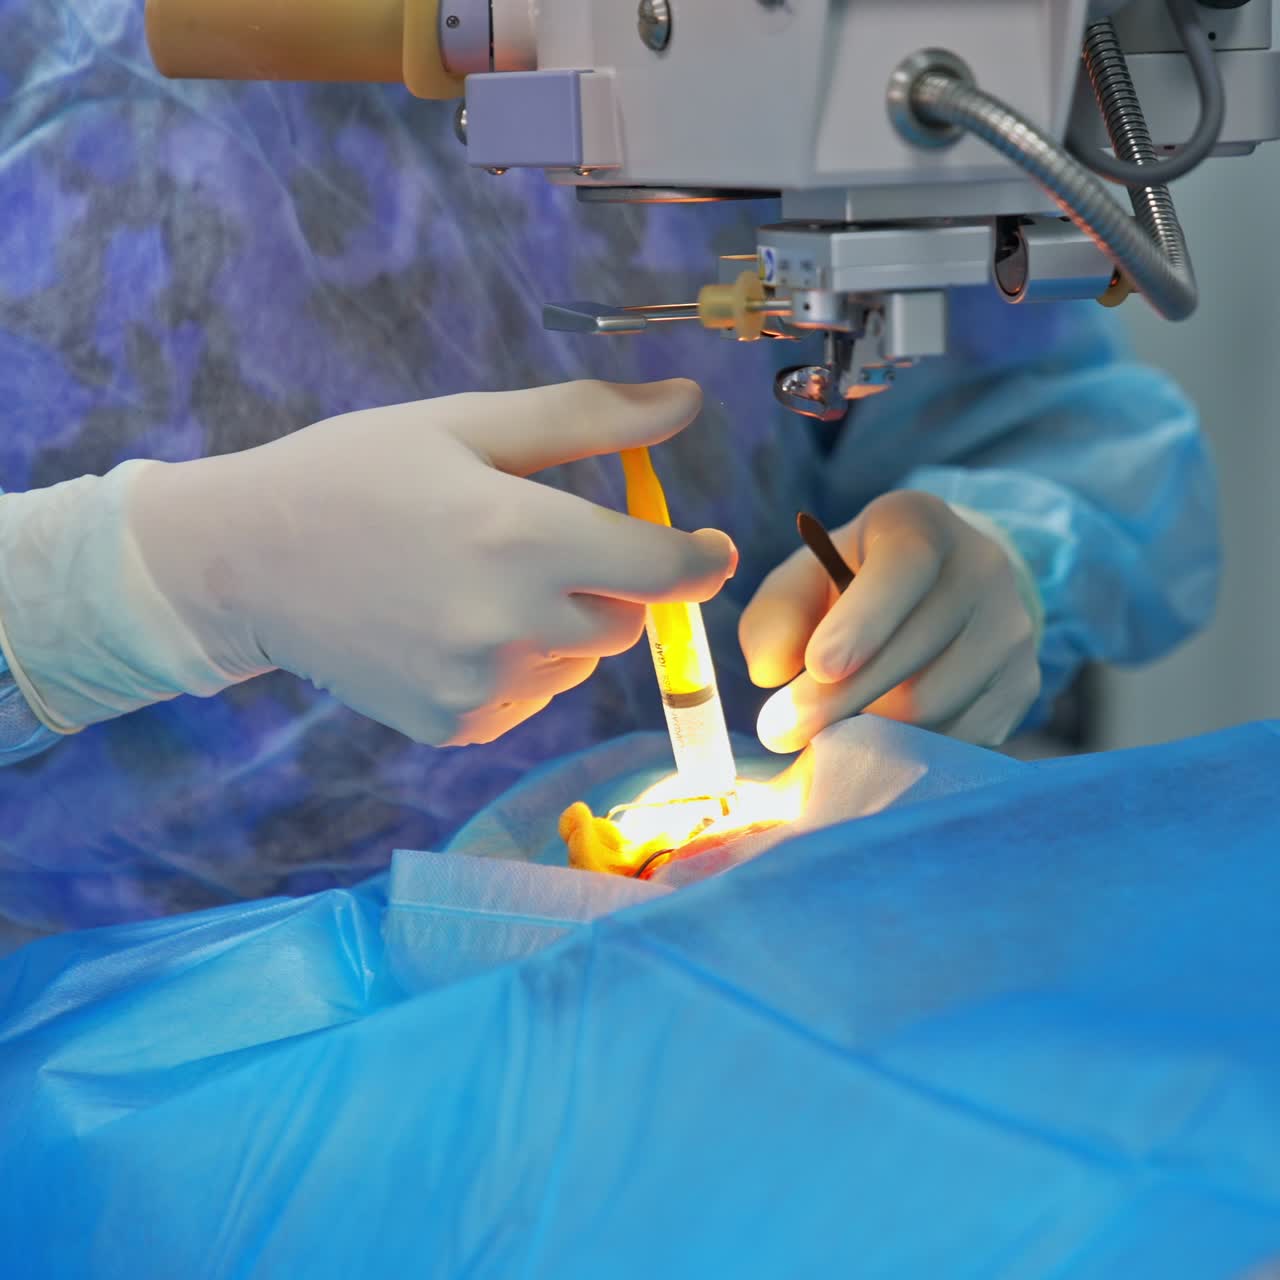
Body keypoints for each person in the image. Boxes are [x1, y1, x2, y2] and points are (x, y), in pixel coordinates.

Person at [0, 2, 1217, 942]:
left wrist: (994, 550)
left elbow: (1041, 415)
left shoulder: (769, 47)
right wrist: (144, 583)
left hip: (709, 995)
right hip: (122, 1066)